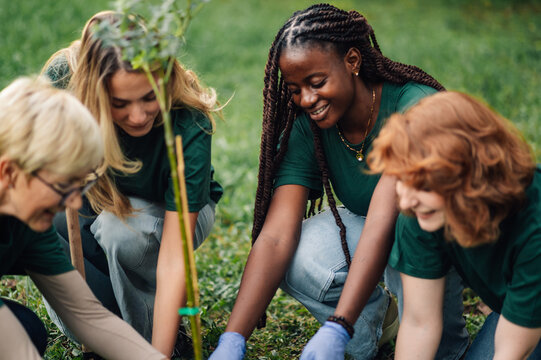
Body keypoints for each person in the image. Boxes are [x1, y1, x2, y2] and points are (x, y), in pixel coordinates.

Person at [210, 3, 468, 360]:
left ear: (352, 60)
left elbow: (386, 215)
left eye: (317, 83)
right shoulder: (309, 123)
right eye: (296, 88)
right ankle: (367, 338)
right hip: (388, 231)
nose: (307, 99)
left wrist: (337, 324)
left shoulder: (415, 108)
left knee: (442, 350)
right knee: (298, 254)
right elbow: (275, 236)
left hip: (446, 236)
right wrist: (232, 339)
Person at [42, 10, 223, 357]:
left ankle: (151, 339)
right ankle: (106, 329)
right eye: (119, 103)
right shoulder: (63, 78)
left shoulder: (189, 123)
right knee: (41, 217)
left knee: (120, 231)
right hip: (96, 200)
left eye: (149, 97)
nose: (138, 116)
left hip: (167, 217)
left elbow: (174, 256)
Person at [0, 76, 167, 359]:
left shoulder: (26, 222)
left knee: (28, 329)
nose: (75, 202)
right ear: (9, 172)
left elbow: (88, 315)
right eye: (64, 186)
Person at [368, 91, 541, 359]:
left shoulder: (534, 226)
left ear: (473, 175)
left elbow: (511, 350)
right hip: (516, 306)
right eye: (401, 179)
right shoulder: (421, 212)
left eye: (423, 185)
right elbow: (419, 323)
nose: (406, 200)